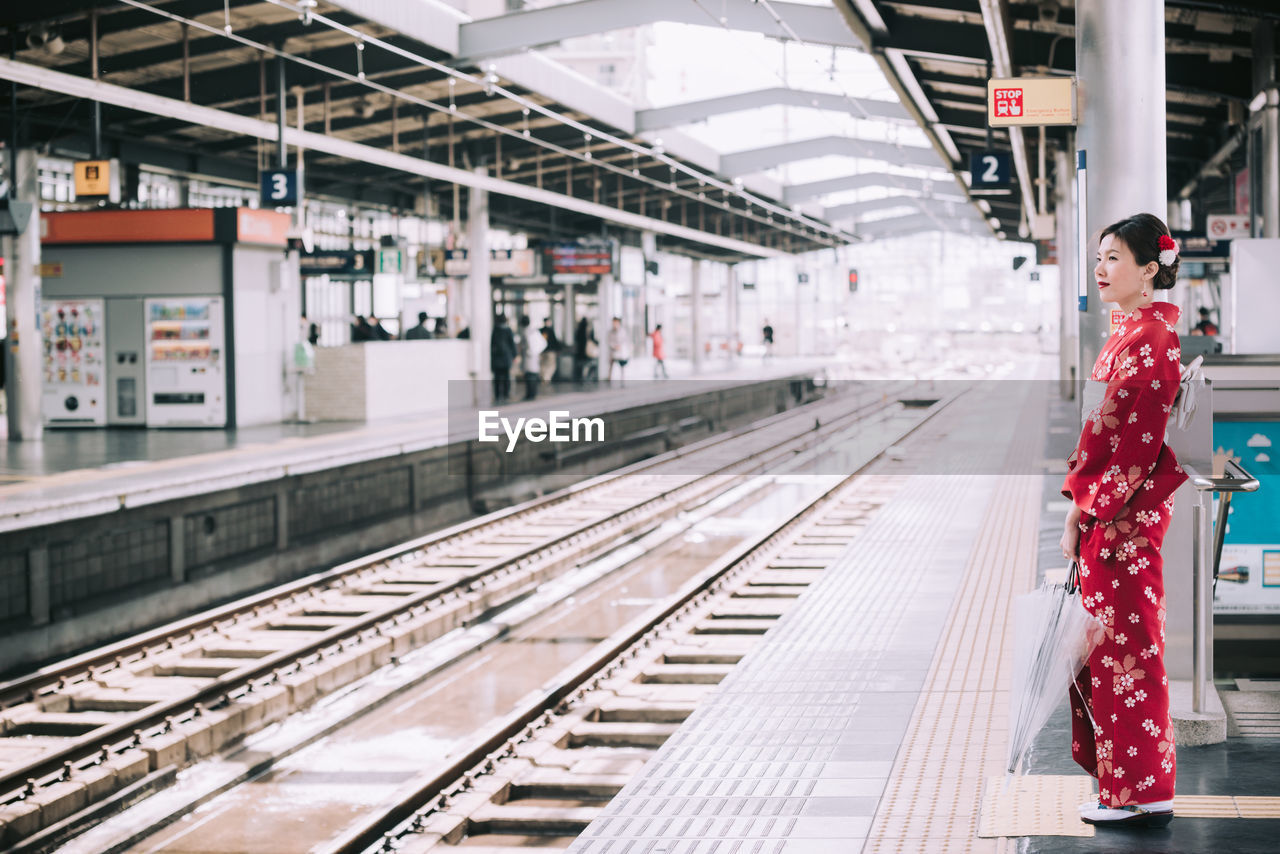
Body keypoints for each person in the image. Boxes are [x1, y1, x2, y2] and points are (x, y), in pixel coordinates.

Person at [1059, 213, 1186, 829]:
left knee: (1129, 655)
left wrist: (1085, 512)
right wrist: (1079, 513)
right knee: (1109, 656)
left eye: (1113, 258)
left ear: (1149, 268)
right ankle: (1122, 786)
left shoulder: (1152, 343)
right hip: (1109, 520)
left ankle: (1142, 791)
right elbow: (1098, 436)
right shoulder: (1128, 335)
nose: (1101, 269)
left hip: (1124, 523)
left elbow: (1132, 447)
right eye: (1100, 258)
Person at [489, 314, 516, 404]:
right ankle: (506, 394)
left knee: (497, 377)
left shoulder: (495, 330)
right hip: (506, 358)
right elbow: (512, 344)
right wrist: (514, 355)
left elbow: (492, 345)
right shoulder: (508, 330)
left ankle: (497, 395)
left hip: (497, 358)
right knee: (506, 377)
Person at [517, 315, 545, 401]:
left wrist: (529, 351)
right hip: (534, 356)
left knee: (530, 376)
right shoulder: (534, 331)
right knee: (532, 375)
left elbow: (527, 345)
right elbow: (542, 343)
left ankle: (530, 394)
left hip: (529, 357)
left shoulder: (526, 332)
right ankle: (532, 393)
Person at [606, 316, 631, 385]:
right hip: (613, 351)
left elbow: (625, 341)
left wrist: (620, 346)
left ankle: (622, 379)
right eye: (613, 322)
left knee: (622, 366)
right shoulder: (610, 332)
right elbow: (609, 341)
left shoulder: (622, 331)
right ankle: (609, 379)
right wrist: (613, 346)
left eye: (615, 322)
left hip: (621, 352)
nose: (614, 324)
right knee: (611, 365)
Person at [574, 316, 597, 385]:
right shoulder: (588, 330)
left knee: (581, 365)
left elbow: (576, 339)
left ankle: (581, 378)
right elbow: (593, 339)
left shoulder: (579, 329)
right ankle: (586, 378)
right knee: (588, 364)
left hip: (580, 351)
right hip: (587, 351)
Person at [539, 319, 560, 384]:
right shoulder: (550, 331)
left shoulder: (540, 331)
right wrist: (558, 349)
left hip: (542, 351)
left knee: (543, 365)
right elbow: (554, 341)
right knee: (551, 365)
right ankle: (546, 378)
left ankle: (543, 377)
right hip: (550, 351)